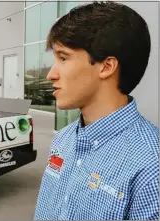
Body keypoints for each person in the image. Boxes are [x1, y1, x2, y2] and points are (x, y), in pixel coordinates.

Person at [34, 1, 159, 220]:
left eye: (63, 58)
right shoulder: (63, 139)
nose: (50, 74)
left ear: (106, 66)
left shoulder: (150, 166)